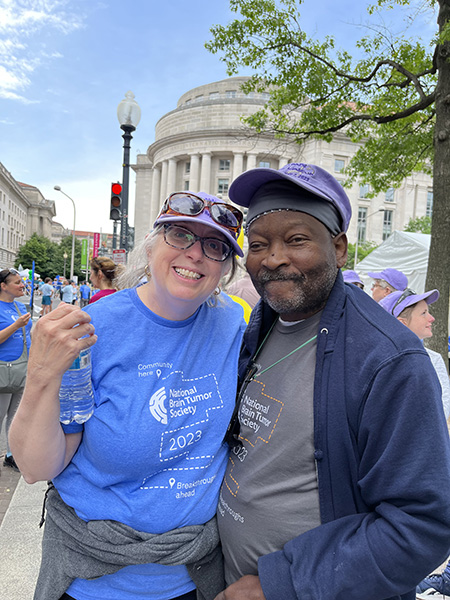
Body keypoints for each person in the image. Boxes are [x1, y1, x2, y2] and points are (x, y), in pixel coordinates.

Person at [214, 162, 450, 600]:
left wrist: (280, 584)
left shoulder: (390, 361)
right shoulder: (261, 326)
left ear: (339, 249)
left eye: (297, 239)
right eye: (259, 243)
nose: (273, 257)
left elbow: (422, 524)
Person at [9, 191, 247, 600]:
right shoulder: (92, 330)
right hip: (95, 578)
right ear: (151, 244)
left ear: (225, 268)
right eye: (180, 235)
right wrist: (41, 376)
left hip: (198, 574)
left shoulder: (234, 323)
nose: (195, 254)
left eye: (215, 246)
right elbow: (36, 467)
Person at [379, 288, 450, 420]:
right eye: (423, 313)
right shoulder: (380, 363)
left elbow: (442, 407)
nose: (432, 318)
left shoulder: (433, 359)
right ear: (402, 323)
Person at [0, 268, 32, 471]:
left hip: (21, 370)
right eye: (17, 282)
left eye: (22, 281)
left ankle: (12, 455)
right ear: (3, 286)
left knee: (16, 417)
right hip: (3, 371)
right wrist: (16, 326)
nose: (22, 285)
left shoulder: (19, 307)